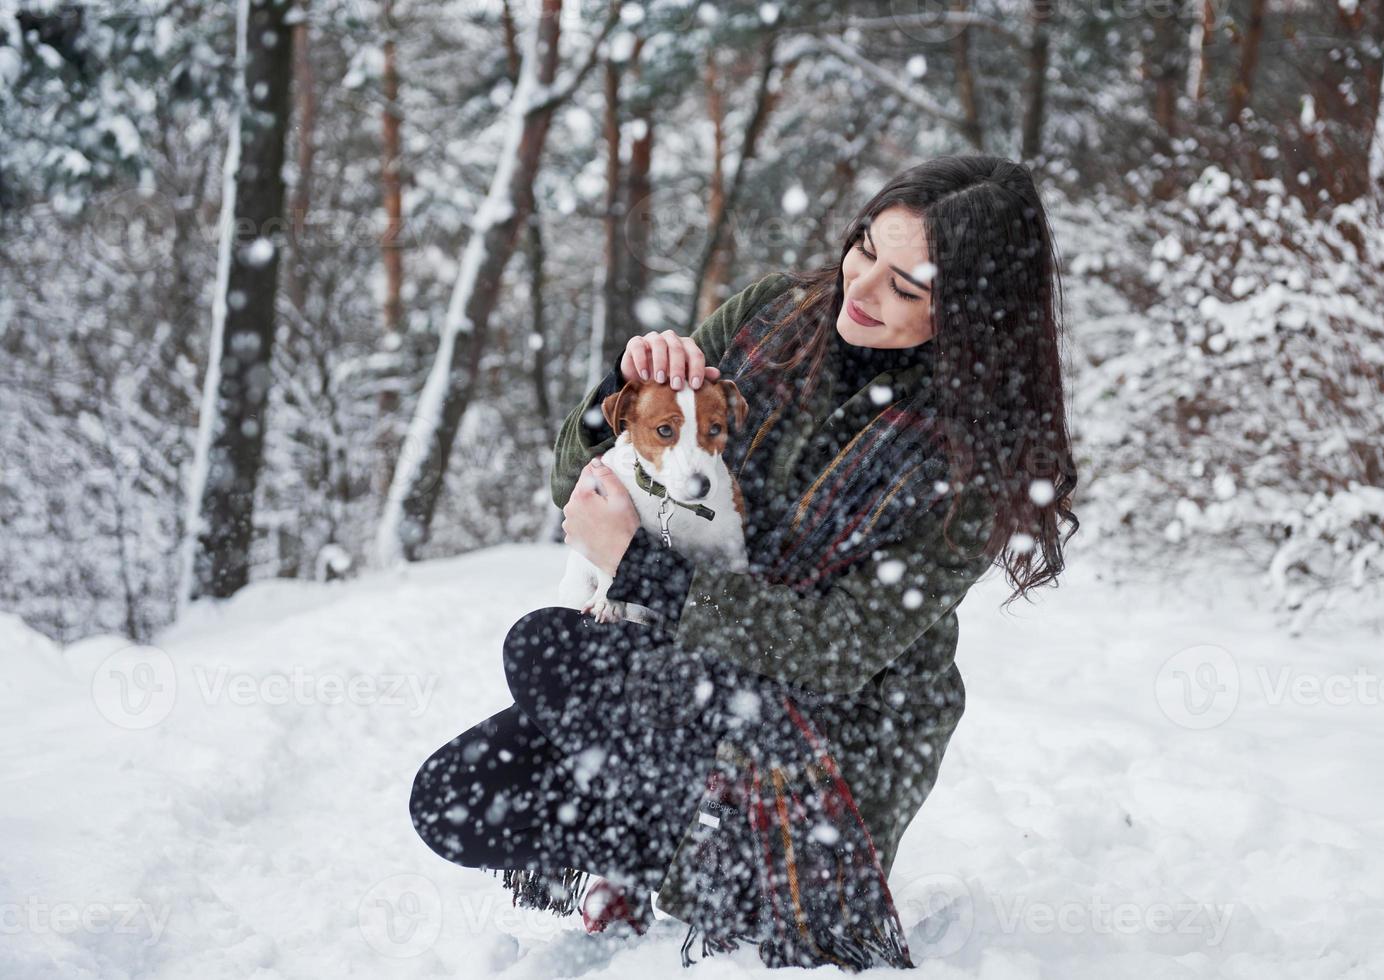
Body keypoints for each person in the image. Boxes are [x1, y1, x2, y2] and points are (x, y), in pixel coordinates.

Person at [409, 154, 1080, 969]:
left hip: (828, 723)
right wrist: (615, 397)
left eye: (907, 287)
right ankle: (663, 832)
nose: (860, 289)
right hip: (692, 661)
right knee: (457, 797)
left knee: (550, 651)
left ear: (971, 315)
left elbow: (836, 650)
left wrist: (640, 568)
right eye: (864, 248)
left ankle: (712, 853)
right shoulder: (771, 316)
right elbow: (578, 488)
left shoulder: (977, 458)